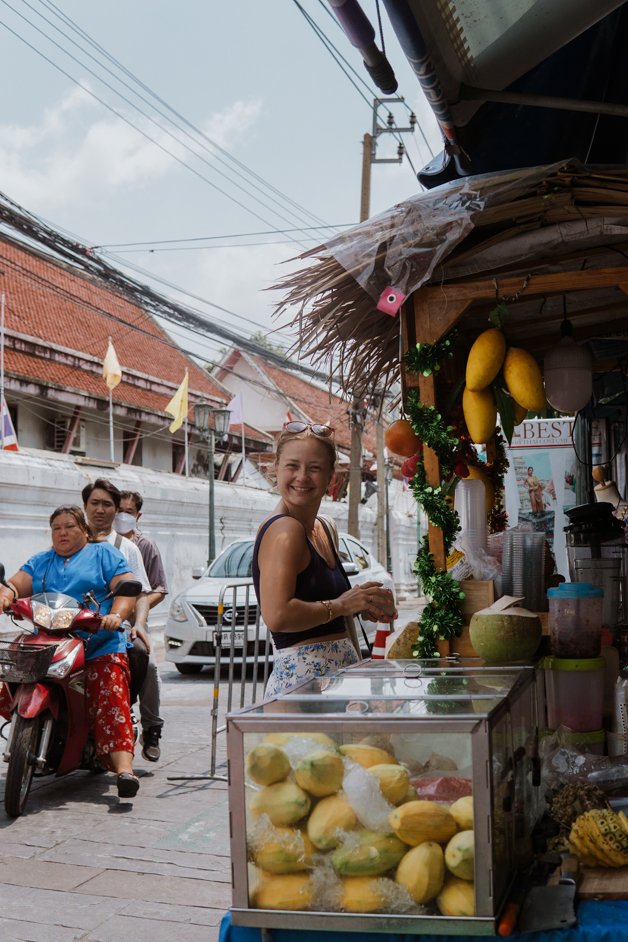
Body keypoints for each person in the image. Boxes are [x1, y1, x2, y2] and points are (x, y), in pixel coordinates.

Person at [0, 506, 141, 797]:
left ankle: (124, 769)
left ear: (84, 531)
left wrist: (116, 614)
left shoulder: (103, 554)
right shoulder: (41, 561)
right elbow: (15, 585)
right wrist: (6, 596)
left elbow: (125, 588)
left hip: (99, 643)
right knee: (13, 667)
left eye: (70, 527)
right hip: (49, 642)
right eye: (56, 528)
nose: (62, 533)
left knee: (109, 692)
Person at [253, 421, 396, 696]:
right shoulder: (284, 531)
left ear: (332, 476)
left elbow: (326, 605)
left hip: (335, 685)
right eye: (292, 466)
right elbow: (278, 616)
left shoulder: (324, 527)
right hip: (302, 688)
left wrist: (363, 603)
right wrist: (342, 605)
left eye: (314, 468)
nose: (302, 477)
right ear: (275, 469)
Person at [81, 479, 154, 756]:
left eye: (107, 505)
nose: (100, 510)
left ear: (116, 510)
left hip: (112, 631)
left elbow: (142, 593)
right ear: (85, 507)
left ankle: (138, 715)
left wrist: (138, 625)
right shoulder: (71, 542)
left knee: (140, 655)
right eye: (94, 503)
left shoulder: (128, 548)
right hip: (70, 630)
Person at [115, 490, 167, 761]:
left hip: (130, 624)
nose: (121, 516)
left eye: (128, 512)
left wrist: (137, 617)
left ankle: (152, 728)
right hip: (99, 623)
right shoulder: (89, 543)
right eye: (118, 510)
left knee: (148, 665)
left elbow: (155, 590)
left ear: (138, 515)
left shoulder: (140, 548)